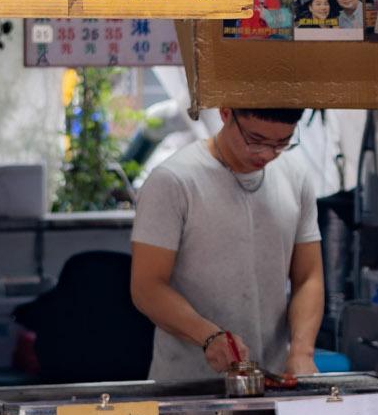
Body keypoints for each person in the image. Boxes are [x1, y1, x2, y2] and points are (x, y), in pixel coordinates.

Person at [130, 108, 323, 381]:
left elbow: (308, 277)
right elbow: (147, 287)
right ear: (225, 113)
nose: (267, 154)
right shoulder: (173, 181)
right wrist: (208, 336)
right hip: (187, 385)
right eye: (255, 140)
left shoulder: (296, 177)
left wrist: (302, 351)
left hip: (274, 381)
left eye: (282, 143)